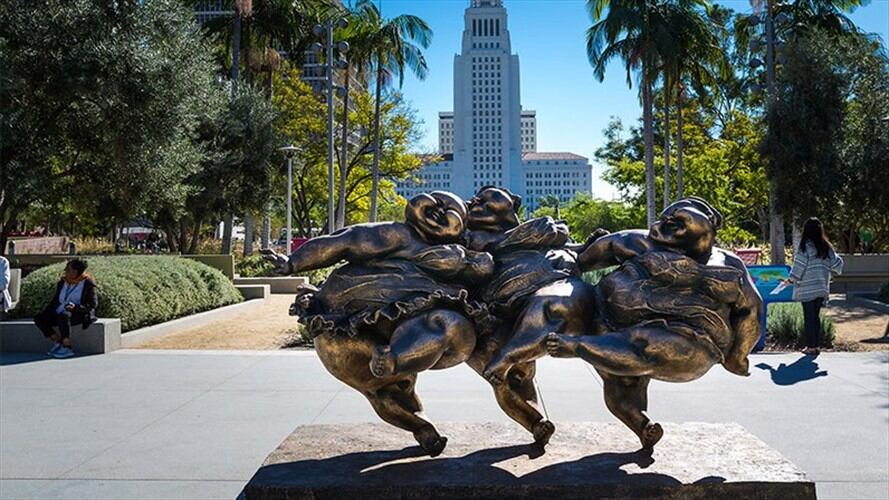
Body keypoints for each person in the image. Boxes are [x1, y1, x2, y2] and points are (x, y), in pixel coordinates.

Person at [786, 217, 844, 356]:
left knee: (809, 317)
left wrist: (790, 280)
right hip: (821, 288)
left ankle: (810, 347)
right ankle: (817, 346)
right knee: (816, 318)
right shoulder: (826, 247)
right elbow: (837, 264)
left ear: (806, 231)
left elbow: (799, 267)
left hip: (807, 288)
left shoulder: (805, 246)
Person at [34, 259, 98, 359]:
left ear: (77, 271)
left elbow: (92, 304)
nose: (66, 272)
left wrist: (76, 307)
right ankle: (58, 341)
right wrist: (46, 313)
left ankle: (67, 346)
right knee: (39, 318)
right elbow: (55, 300)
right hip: (60, 310)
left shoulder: (87, 283)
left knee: (64, 315)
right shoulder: (63, 282)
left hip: (78, 313)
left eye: (69, 270)